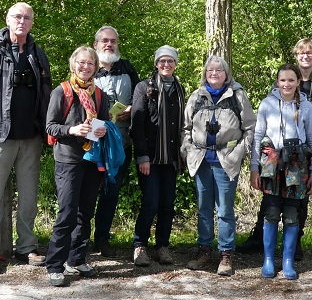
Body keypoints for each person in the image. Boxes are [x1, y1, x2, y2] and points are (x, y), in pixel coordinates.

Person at [238, 38, 312, 260]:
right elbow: (260, 133)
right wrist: (254, 166)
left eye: (310, 52)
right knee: (270, 206)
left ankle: (292, 250)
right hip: (274, 160)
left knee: (297, 207)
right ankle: (262, 245)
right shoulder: (272, 98)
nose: (306, 56)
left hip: (304, 157)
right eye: (302, 53)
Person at [0, 2, 52, 273]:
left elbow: (47, 97)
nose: (22, 21)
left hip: (31, 138)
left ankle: (27, 247)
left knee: (29, 197)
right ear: (7, 20)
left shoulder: (38, 54)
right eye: (17, 16)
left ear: (32, 23)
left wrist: (49, 129)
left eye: (27, 17)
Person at [181, 55, 256, 276]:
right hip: (201, 161)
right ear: (205, 74)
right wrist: (188, 151)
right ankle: (204, 250)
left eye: (219, 70)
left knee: (224, 210)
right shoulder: (196, 97)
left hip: (227, 161)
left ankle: (226, 253)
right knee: (204, 209)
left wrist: (241, 151)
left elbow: (250, 127)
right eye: (210, 70)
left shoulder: (237, 96)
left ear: (226, 74)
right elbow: (186, 129)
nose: (214, 73)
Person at [45, 47, 110, 287]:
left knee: (86, 213)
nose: (85, 67)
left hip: (92, 159)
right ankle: (54, 265)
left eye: (90, 63)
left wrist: (103, 130)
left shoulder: (100, 94)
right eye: (81, 63)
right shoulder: (61, 91)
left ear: (96, 67)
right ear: (74, 65)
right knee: (67, 212)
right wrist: (72, 130)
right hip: (68, 159)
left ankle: (77, 258)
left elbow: (106, 124)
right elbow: (50, 126)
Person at [249, 64, 312, 280]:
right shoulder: (267, 104)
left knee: (291, 215)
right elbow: (258, 137)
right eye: (282, 80)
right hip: (271, 166)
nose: (286, 84)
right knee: (270, 213)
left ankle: (287, 261)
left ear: (298, 81)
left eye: (291, 80)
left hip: (297, 167)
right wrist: (254, 168)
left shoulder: (306, 106)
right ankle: (268, 259)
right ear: (277, 82)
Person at [130, 45, 186, 267]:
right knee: (151, 203)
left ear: (175, 64)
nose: (166, 64)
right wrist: (142, 156)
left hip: (171, 158)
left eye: (170, 61)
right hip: (150, 158)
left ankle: (163, 245)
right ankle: (139, 245)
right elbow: (137, 123)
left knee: (167, 204)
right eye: (162, 61)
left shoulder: (180, 90)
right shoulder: (144, 88)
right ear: (156, 63)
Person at [91, 26, 139, 256]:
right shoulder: (86, 66)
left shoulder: (128, 68)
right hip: (92, 143)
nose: (109, 45)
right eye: (104, 41)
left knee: (111, 192)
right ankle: (79, 239)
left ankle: (101, 237)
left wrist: (131, 109)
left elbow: (141, 99)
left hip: (121, 144)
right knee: (88, 191)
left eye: (113, 41)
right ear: (95, 45)